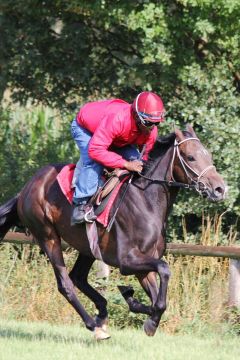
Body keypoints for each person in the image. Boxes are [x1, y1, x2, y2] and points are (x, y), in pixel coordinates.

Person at [70, 91, 165, 225]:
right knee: (94, 161)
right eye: (149, 123)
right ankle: (80, 204)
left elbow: (146, 157)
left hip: (117, 137)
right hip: (85, 129)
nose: (153, 128)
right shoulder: (118, 119)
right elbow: (95, 150)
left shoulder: (150, 128)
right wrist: (125, 164)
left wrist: (138, 163)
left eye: (156, 123)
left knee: (137, 162)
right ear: (137, 117)